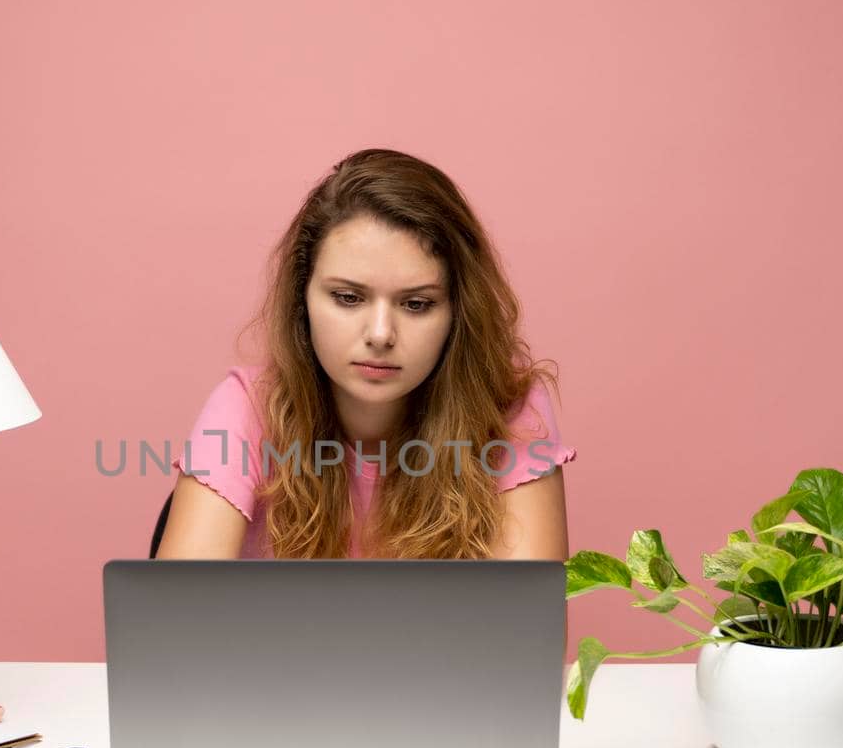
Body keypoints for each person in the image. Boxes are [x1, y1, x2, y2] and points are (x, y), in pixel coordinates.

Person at [157, 148, 573, 560]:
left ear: (458, 312)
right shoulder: (247, 407)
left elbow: (525, 623)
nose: (380, 334)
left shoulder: (510, 409)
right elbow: (175, 621)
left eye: (416, 305)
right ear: (303, 299)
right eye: (348, 297)